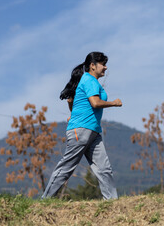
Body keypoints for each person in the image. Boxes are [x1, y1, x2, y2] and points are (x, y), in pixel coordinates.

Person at [42, 51, 122, 200]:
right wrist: (114, 103)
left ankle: (112, 202)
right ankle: (45, 200)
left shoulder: (90, 81)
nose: (105, 68)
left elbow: (71, 100)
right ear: (92, 66)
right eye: (103, 64)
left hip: (93, 132)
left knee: (104, 169)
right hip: (82, 131)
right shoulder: (89, 80)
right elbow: (95, 103)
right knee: (66, 167)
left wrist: (73, 114)